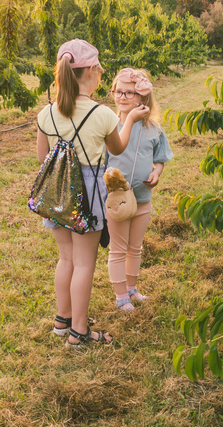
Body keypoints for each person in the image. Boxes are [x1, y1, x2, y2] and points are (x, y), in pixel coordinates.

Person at [36, 40, 147, 348]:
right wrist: (130, 119)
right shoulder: (102, 114)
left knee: (66, 258)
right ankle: (79, 332)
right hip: (87, 194)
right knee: (85, 262)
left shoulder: (46, 113)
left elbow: (42, 155)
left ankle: (63, 320)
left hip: (57, 193)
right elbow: (117, 147)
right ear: (93, 73)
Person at [104, 68, 174, 311]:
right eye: (118, 91)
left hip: (143, 198)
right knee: (119, 248)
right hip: (118, 201)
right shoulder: (110, 128)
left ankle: (132, 288)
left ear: (143, 98)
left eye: (130, 93)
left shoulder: (154, 129)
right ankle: (120, 295)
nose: (122, 97)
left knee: (136, 247)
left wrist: (156, 172)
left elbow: (160, 158)